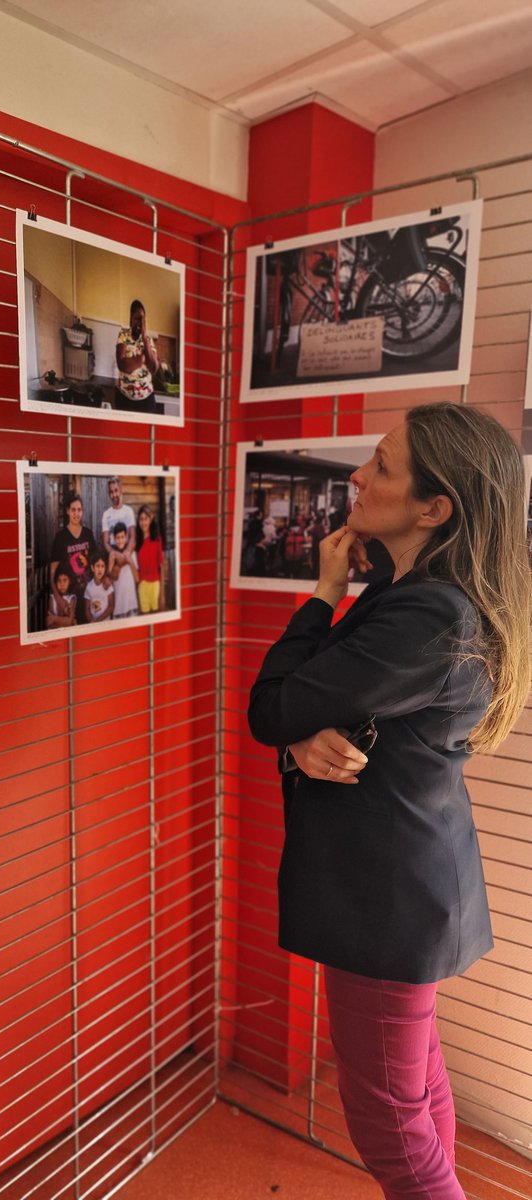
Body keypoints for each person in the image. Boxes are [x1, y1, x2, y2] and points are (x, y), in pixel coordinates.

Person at [247, 402, 531, 1200]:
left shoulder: (426, 613)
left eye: (381, 466)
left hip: (387, 899)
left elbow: (272, 704)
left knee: (386, 1119)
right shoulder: (425, 592)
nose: (358, 477)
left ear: (434, 509)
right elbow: (315, 712)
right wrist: (303, 738)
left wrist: (320, 593)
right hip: (410, 885)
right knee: (416, 1093)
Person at [49, 493, 98, 622]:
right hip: (69, 599)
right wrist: (58, 598)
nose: (76, 513)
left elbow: (96, 563)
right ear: (67, 511)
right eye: (73, 510)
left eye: (79, 510)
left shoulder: (88, 534)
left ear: (82, 511)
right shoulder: (60, 537)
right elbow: (53, 572)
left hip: (88, 596)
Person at [116, 300, 160, 415]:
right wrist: (140, 360)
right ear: (131, 318)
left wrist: (145, 338)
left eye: (142, 319)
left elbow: (154, 368)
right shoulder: (123, 335)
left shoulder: (149, 341)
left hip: (146, 401)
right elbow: (121, 364)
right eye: (137, 318)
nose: (140, 322)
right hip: (124, 399)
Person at [135, 505, 166, 613]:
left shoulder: (157, 539)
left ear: (151, 519)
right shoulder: (137, 542)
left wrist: (162, 594)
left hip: (155, 586)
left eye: (146, 519)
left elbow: (161, 565)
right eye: (141, 519)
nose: (143, 523)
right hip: (142, 586)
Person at [107, 523, 139, 619]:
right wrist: (112, 563)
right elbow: (109, 581)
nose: (120, 540)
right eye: (118, 538)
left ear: (126, 537)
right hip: (118, 606)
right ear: (113, 538)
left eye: (122, 537)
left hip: (131, 604)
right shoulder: (112, 555)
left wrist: (130, 562)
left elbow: (137, 578)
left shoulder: (132, 554)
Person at [84, 551, 115, 623]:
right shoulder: (89, 587)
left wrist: (98, 620)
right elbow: (87, 609)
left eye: (102, 566)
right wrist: (91, 620)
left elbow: (111, 606)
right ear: (92, 568)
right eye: (98, 566)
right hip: (94, 624)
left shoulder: (108, 586)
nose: (100, 569)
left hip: (106, 624)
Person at [47, 562, 77, 630]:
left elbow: (69, 621)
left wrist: (54, 619)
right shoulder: (51, 598)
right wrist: (65, 621)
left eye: (65, 580)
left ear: (70, 581)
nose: (62, 584)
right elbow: (49, 622)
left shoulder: (72, 598)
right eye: (59, 581)